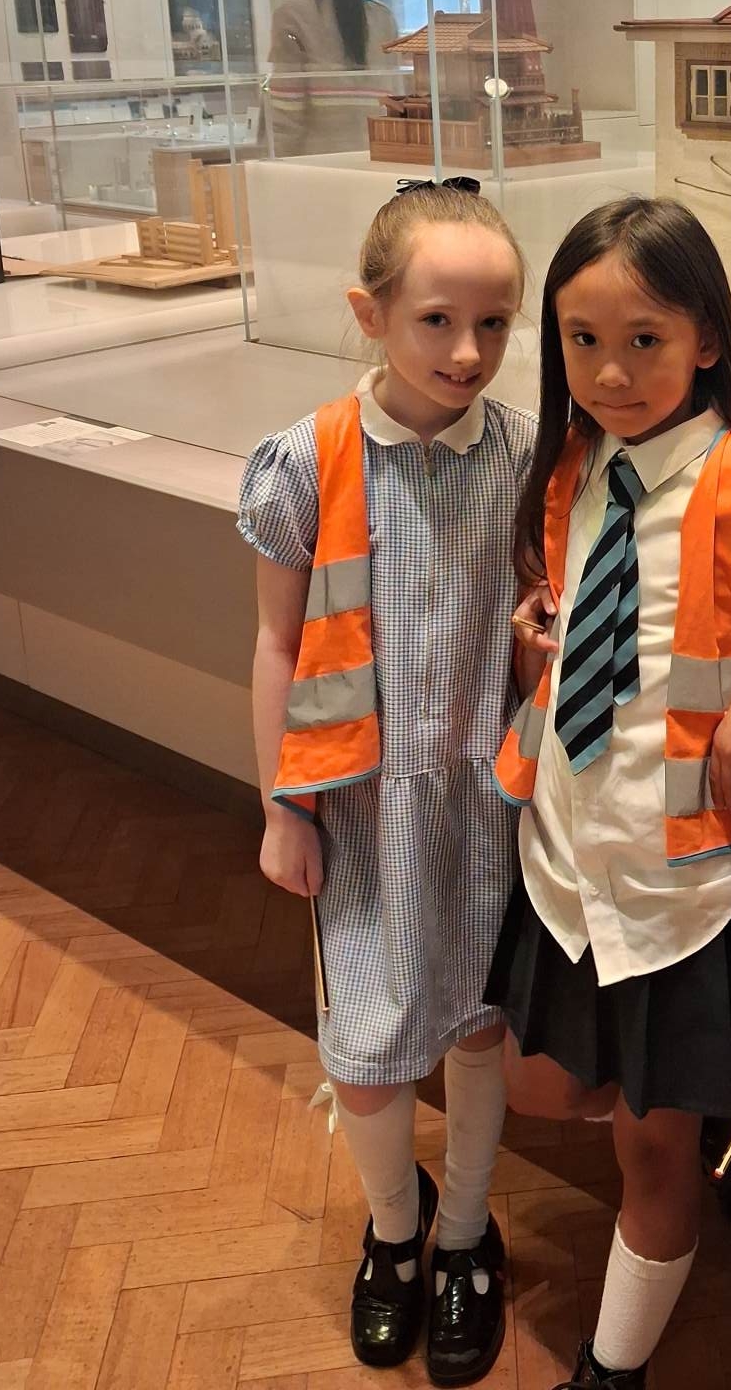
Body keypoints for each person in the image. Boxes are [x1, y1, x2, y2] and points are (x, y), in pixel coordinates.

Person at [488, 196, 731, 1390]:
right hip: (570, 858)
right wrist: (543, 641)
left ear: (706, 340)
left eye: (644, 339)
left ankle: (615, 1367)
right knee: (542, 1081)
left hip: (687, 884)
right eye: (583, 341)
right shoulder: (574, 469)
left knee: (652, 1152)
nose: (611, 372)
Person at [239, 179, 533, 1385]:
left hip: (489, 801)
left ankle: (465, 1230)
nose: (467, 352)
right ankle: (395, 1232)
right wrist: (280, 806)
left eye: (494, 323)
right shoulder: (310, 458)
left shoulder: (524, 454)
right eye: (436, 320)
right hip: (360, 801)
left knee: (478, 1024)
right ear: (371, 314)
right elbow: (276, 643)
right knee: (364, 1045)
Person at [267, 0, 401, 156]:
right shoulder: (383, 18)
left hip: (316, 164)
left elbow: (286, 115)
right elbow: (396, 103)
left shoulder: (292, 15)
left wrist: (268, 165)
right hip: (378, 159)